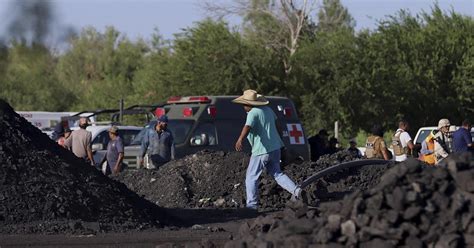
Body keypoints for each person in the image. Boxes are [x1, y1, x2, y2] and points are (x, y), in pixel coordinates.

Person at [233, 89, 307, 210]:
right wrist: (279, 141)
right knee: (277, 174)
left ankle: (251, 206)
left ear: (249, 104)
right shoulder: (268, 110)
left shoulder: (253, 113)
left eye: (244, 104)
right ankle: (297, 190)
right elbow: (278, 125)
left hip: (261, 150)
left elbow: (247, 127)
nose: (243, 106)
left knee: (251, 177)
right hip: (275, 149)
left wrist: (240, 139)